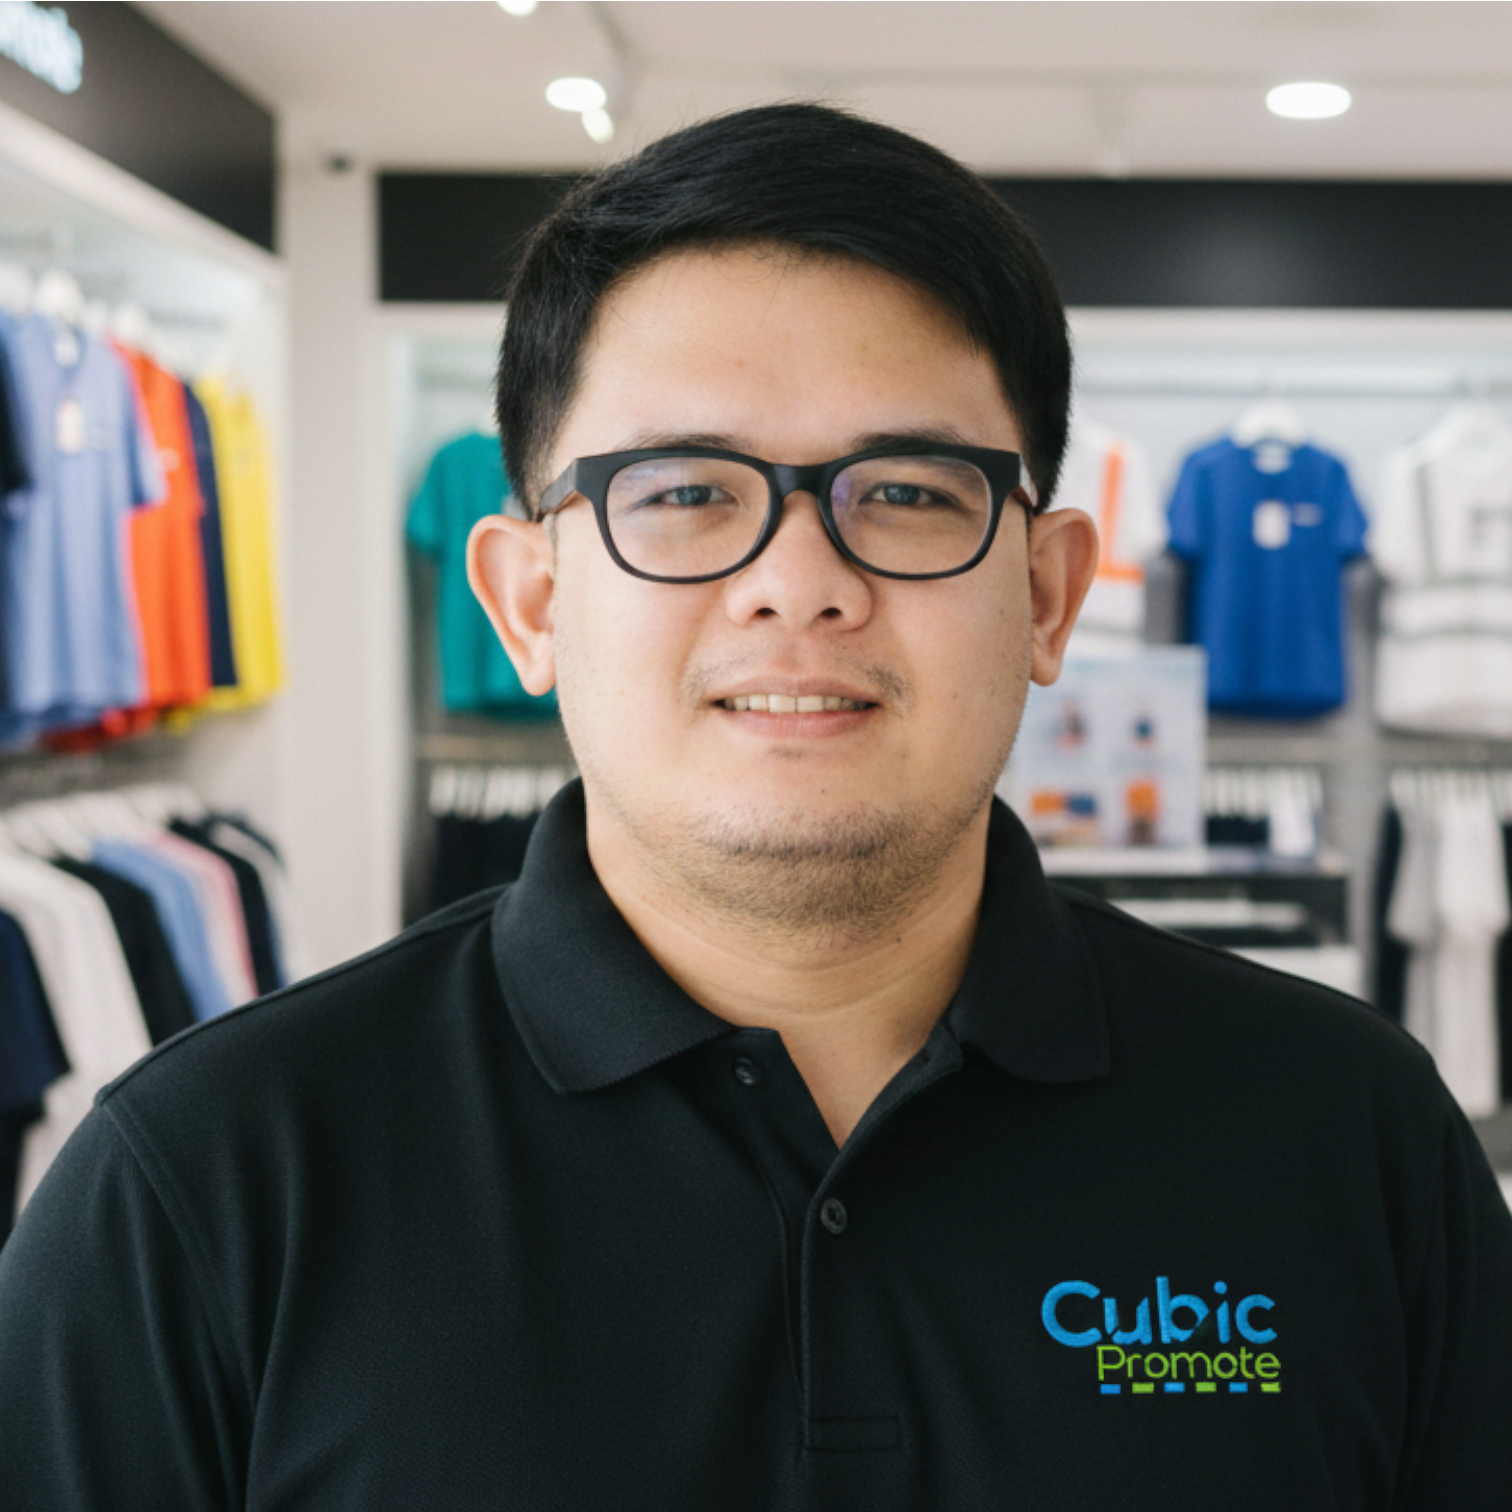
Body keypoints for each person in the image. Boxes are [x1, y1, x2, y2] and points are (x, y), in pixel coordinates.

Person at [1, 103, 1509, 1511]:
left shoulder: (1350, 1138)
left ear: (1050, 596)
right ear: (529, 601)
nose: (799, 582)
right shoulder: (203, 1189)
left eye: (911, 491)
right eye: (682, 492)